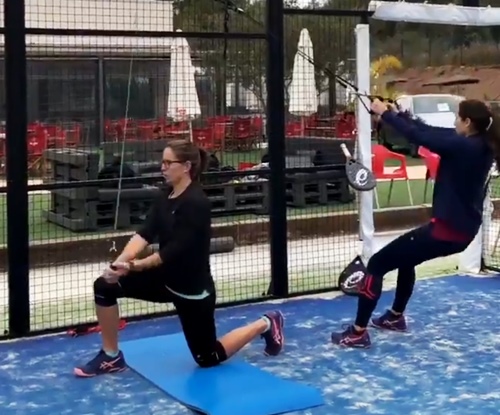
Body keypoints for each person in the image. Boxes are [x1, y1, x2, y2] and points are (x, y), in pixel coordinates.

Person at [74, 139, 285, 376]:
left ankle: (266, 322)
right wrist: (119, 263)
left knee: (208, 358)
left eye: (167, 163)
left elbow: (170, 252)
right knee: (105, 286)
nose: (162, 167)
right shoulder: (164, 196)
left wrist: (132, 266)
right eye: (161, 162)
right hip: (164, 280)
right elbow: (144, 233)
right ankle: (111, 357)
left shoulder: (197, 204)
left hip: (192, 291)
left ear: (186, 166)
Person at [331, 98, 499, 348]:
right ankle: (395, 318)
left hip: (446, 232)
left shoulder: (464, 147)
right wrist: (400, 114)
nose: (454, 121)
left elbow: (421, 138)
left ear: (467, 122)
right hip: (459, 231)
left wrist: (386, 115)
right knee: (406, 257)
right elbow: (428, 131)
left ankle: (357, 333)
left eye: (458, 117)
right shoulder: (480, 143)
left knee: (377, 264)